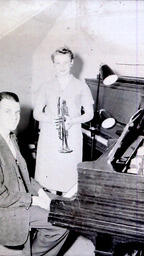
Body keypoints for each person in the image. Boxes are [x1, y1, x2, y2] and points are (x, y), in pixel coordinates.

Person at [0, 92, 68, 255]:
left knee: (65, 208)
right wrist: (32, 200)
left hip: (17, 197)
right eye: (7, 111)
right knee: (61, 224)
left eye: (17, 112)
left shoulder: (10, 137)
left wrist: (40, 193)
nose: (14, 117)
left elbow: (23, 175)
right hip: (2, 211)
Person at [33, 47, 94, 195]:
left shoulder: (81, 86)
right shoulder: (46, 86)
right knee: (49, 178)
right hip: (50, 137)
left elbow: (89, 114)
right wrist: (51, 118)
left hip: (71, 136)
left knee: (68, 178)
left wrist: (73, 120)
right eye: (58, 63)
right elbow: (36, 113)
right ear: (53, 64)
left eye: (65, 63)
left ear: (72, 63)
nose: (62, 67)